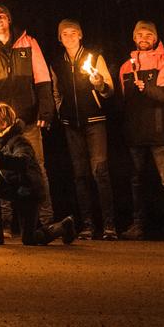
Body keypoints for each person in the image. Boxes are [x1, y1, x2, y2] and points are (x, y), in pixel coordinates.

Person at [0, 3, 54, 225]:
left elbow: (43, 78)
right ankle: (5, 224)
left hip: (27, 118)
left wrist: (45, 110)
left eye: (1, 16)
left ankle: (45, 221)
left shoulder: (28, 43)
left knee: (36, 167)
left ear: (8, 19)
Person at [118, 20, 164, 243]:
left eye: (149, 35)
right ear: (134, 38)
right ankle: (138, 226)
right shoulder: (126, 67)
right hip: (135, 132)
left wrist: (146, 87)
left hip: (159, 131)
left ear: (155, 38)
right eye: (140, 34)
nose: (144, 38)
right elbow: (125, 100)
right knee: (137, 180)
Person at [50, 19, 117, 240]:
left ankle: (109, 226)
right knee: (80, 175)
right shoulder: (57, 63)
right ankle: (87, 225)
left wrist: (99, 84)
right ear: (60, 38)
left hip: (95, 120)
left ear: (80, 35)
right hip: (71, 124)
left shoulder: (94, 58)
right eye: (65, 34)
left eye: (73, 33)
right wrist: (60, 110)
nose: (69, 37)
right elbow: (56, 90)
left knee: (100, 172)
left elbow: (109, 90)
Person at [0, 103, 76, 246]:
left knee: (30, 239)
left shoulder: (19, 141)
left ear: (3, 124)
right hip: (14, 186)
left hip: (28, 191)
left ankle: (63, 227)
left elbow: (23, 162)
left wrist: (1, 160)